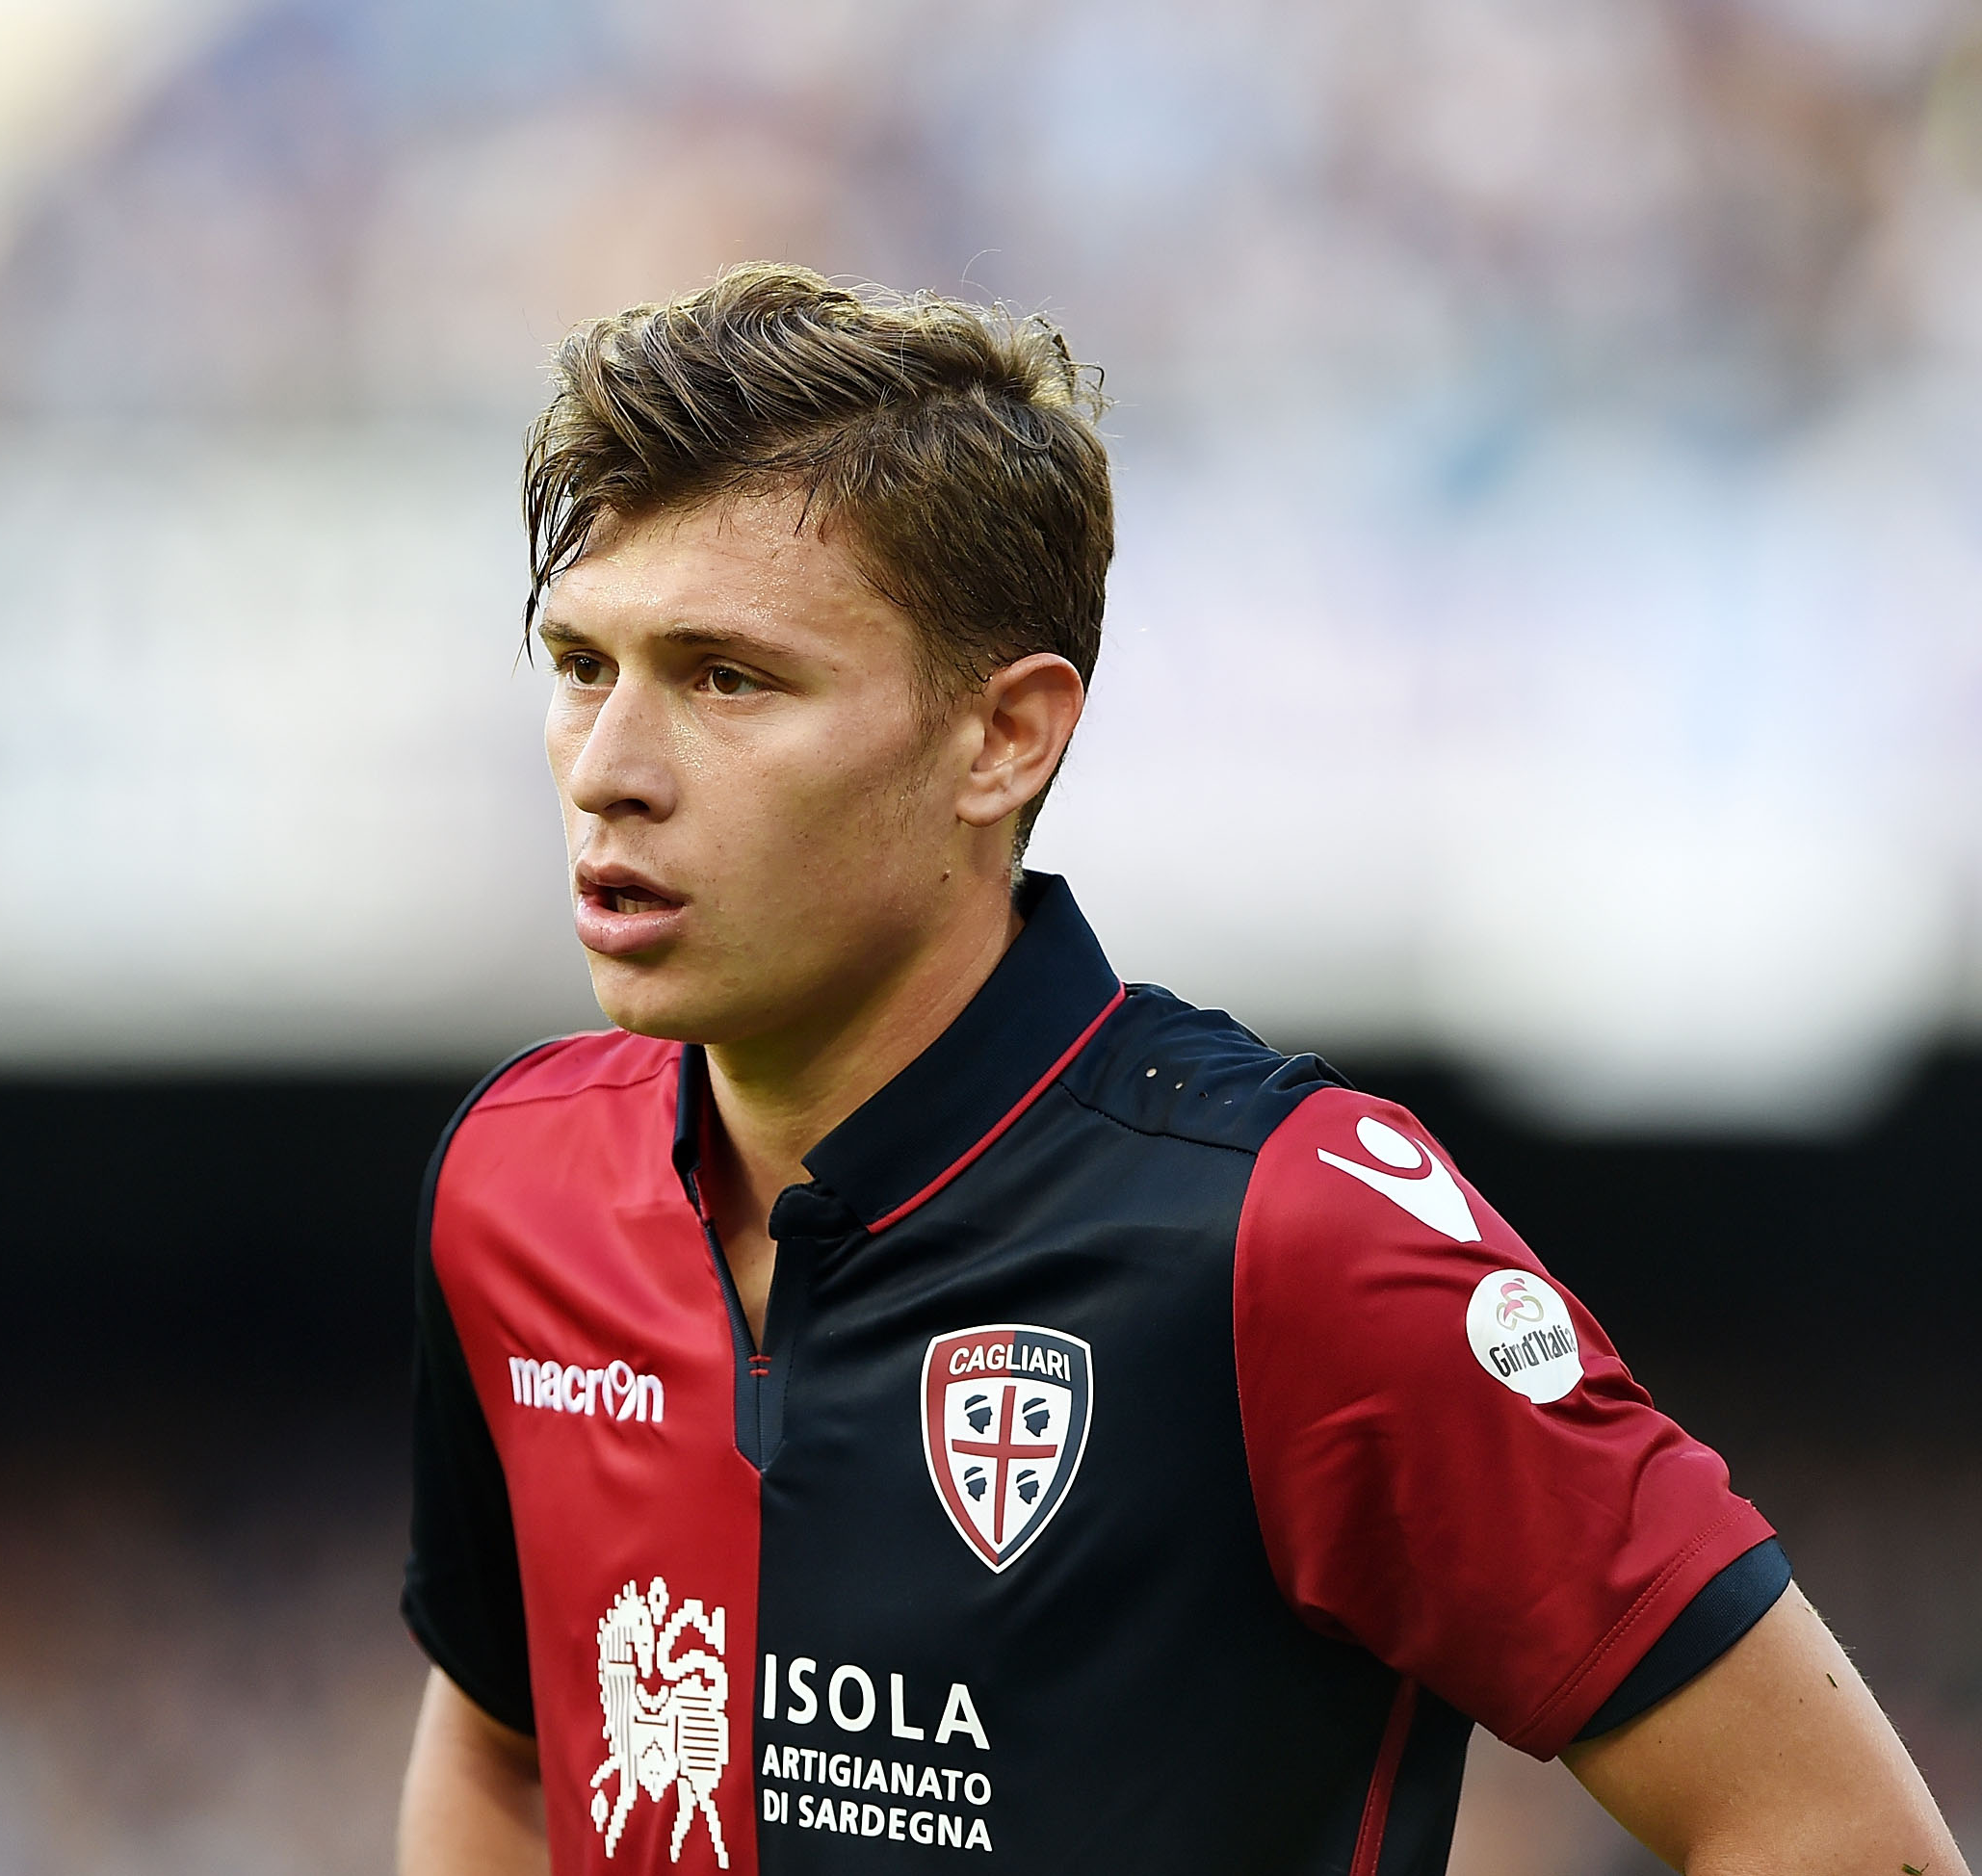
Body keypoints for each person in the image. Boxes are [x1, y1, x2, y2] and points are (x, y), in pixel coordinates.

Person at [393, 265, 1968, 1876]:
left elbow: (1834, 1832)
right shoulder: (516, 1181)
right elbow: (514, 1755)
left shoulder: (1295, 1234)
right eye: (582, 666)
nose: (609, 772)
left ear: (1003, 738)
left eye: (728, 678)